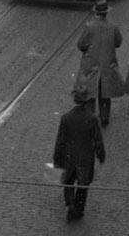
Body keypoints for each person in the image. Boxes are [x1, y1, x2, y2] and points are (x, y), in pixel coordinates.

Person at [51, 87, 106, 222]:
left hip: (68, 157)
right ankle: (78, 209)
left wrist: (56, 157)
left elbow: (61, 140)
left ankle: (70, 203)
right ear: (86, 101)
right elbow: (97, 139)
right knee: (83, 185)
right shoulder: (92, 118)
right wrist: (101, 155)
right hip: (85, 157)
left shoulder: (66, 118)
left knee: (68, 182)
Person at [74, 0, 127, 127]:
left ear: (96, 12)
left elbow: (81, 45)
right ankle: (104, 117)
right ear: (106, 13)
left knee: (91, 92)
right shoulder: (113, 27)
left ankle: (91, 116)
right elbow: (118, 42)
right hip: (107, 65)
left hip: (91, 65)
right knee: (105, 93)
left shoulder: (89, 26)